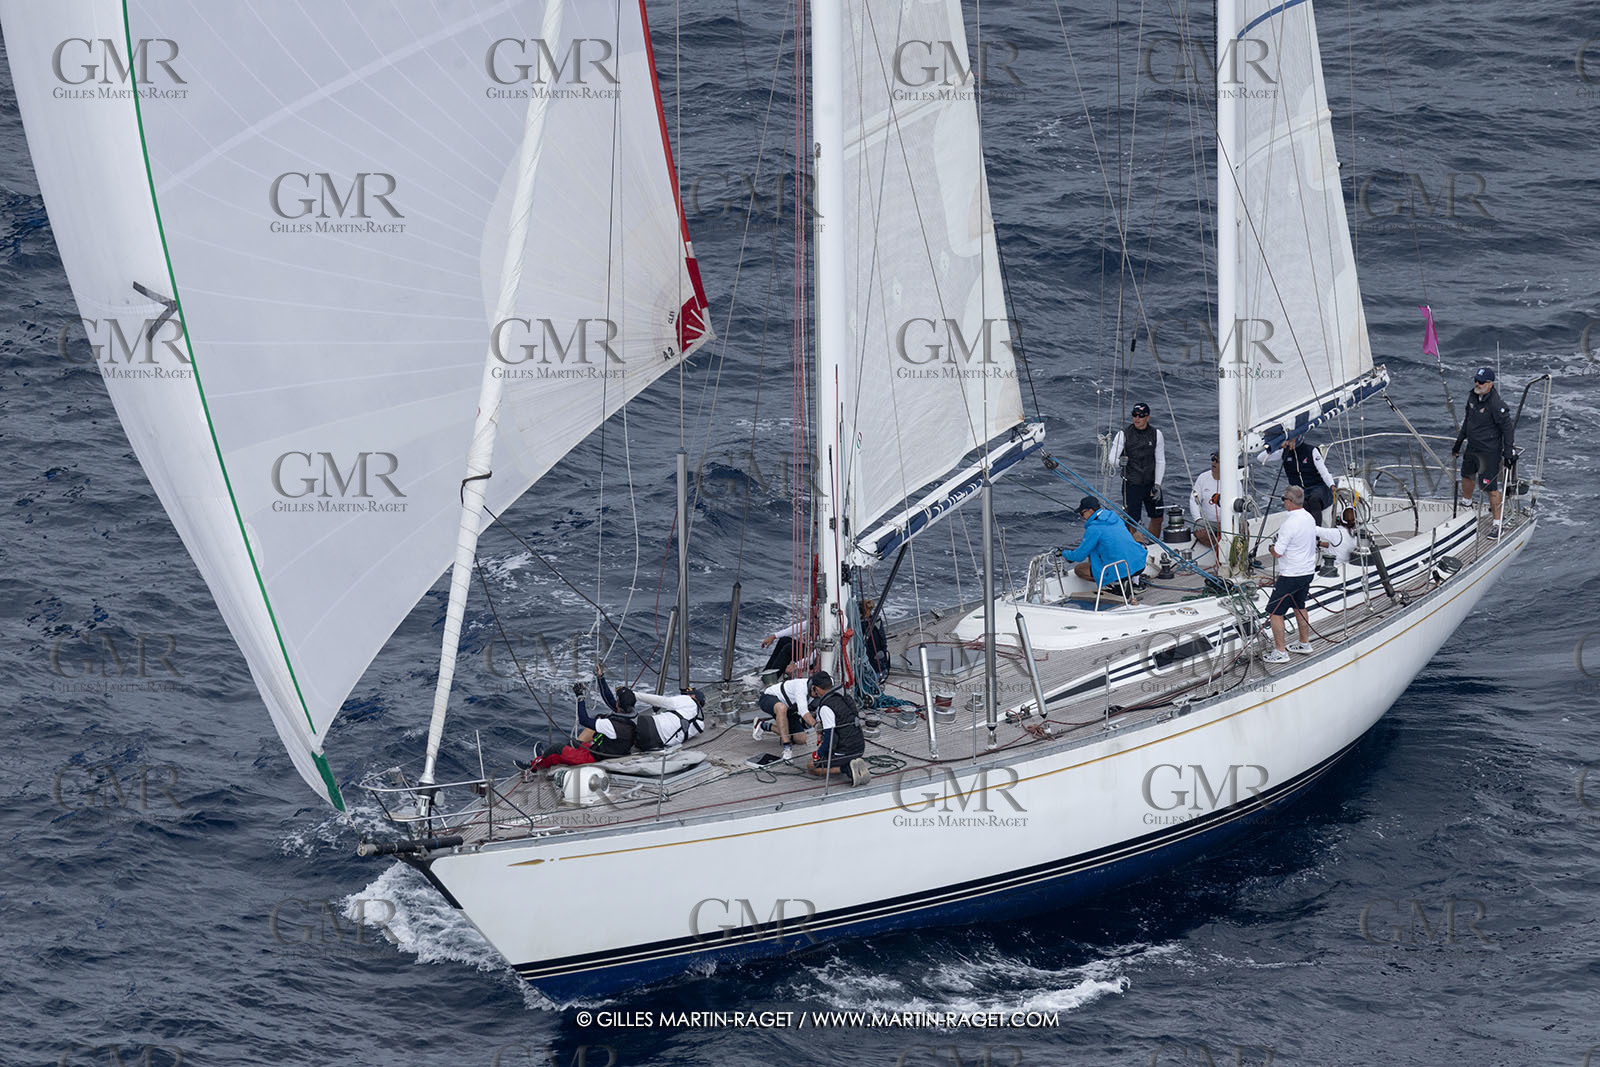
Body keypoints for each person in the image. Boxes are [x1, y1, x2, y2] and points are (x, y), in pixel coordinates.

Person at [1261, 486, 1338, 663]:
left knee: (1274, 612)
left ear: (1289, 501)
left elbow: (1278, 552)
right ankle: (1304, 643)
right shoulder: (1309, 518)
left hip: (1290, 576)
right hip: (1307, 573)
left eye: (1284, 499)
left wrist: (1271, 548)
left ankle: (1280, 652)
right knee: (1299, 606)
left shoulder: (1289, 524)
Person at [1451, 366, 1515, 540]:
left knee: (1489, 487)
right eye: (1475, 381)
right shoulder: (1472, 396)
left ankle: (1497, 524)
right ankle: (1467, 506)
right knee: (1466, 476)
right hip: (1472, 447)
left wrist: (1508, 454)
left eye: (1481, 382)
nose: (1477, 384)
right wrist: (1458, 444)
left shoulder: (1497, 405)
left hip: (1489, 452)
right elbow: (1467, 422)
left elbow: (1507, 430)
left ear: (1490, 384)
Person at [1060, 495, 1149, 600]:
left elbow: (1079, 556)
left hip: (1121, 568)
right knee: (1137, 536)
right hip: (1139, 564)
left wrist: (1064, 553)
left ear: (1090, 511)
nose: (1082, 516)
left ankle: (1116, 585)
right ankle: (1135, 582)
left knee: (1079, 569)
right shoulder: (1115, 518)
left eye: (1082, 512)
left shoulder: (1093, 529)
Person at [1107, 402, 1167, 538]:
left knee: (1158, 518)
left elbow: (1160, 460)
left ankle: (1153, 546)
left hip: (1151, 483)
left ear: (1148, 417)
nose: (1137, 419)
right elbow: (1112, 459)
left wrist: (1157, 484)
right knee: (1132, 522)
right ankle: (1132, 549)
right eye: (1134, 415)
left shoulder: (1156, 434)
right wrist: (1120, 463)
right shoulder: (1123, 434)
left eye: (1141, 416)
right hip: (1132, 485)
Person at [802, 671, 870, 786]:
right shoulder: (845, 697)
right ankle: (854, 763)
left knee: (811, 767)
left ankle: (847, 769)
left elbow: (830, 738)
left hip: (845, 751)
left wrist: (818, 755)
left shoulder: (826, 707)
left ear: (817, 689)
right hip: (859, 747)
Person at [1258, 433, 1336, 525]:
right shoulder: (1283, 452)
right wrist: (1278, 446)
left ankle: (1316, 533)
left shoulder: (1311, 451)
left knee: (1314, 500)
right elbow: (1260, 458)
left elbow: (1324, 472)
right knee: (1304, 505)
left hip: (1317, 487)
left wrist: (1331, 485)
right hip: (1299, 490)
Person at [568, 676, 637, 758]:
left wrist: (580, 697)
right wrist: (600, 677)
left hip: (597, 756)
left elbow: (584, 720)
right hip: (614, 750)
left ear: (618, 703)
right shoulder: (629, 716)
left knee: (556, 749)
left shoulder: (610, 725)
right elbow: (609, 699)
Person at [753, 673, 813, 761]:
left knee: (801, 739)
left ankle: (763, 725)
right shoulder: (801, 687)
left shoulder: (817, 694)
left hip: (790, 709)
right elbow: (804, 712)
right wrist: (815, 725)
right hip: (770, 698)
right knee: (781, 708)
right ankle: (787, 748)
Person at [632, 686, 706, 750]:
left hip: (649, 728)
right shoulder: (700, 725)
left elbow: (664, 701)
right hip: (655, 744)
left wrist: (634, 695)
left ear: (693, 696)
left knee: (631, 722)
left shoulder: (689, 700)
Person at [1188, 451, 1223, 549]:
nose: (1213, 463)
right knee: (1199, 533)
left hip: (1229, 522)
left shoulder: (1235, 480)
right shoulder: (1203, 478)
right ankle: (1220, 552)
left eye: (1217, 461)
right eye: (1212, 459)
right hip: (1209, 523)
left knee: (1244, 528)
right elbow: (1193, 500)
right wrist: (1198, 520)